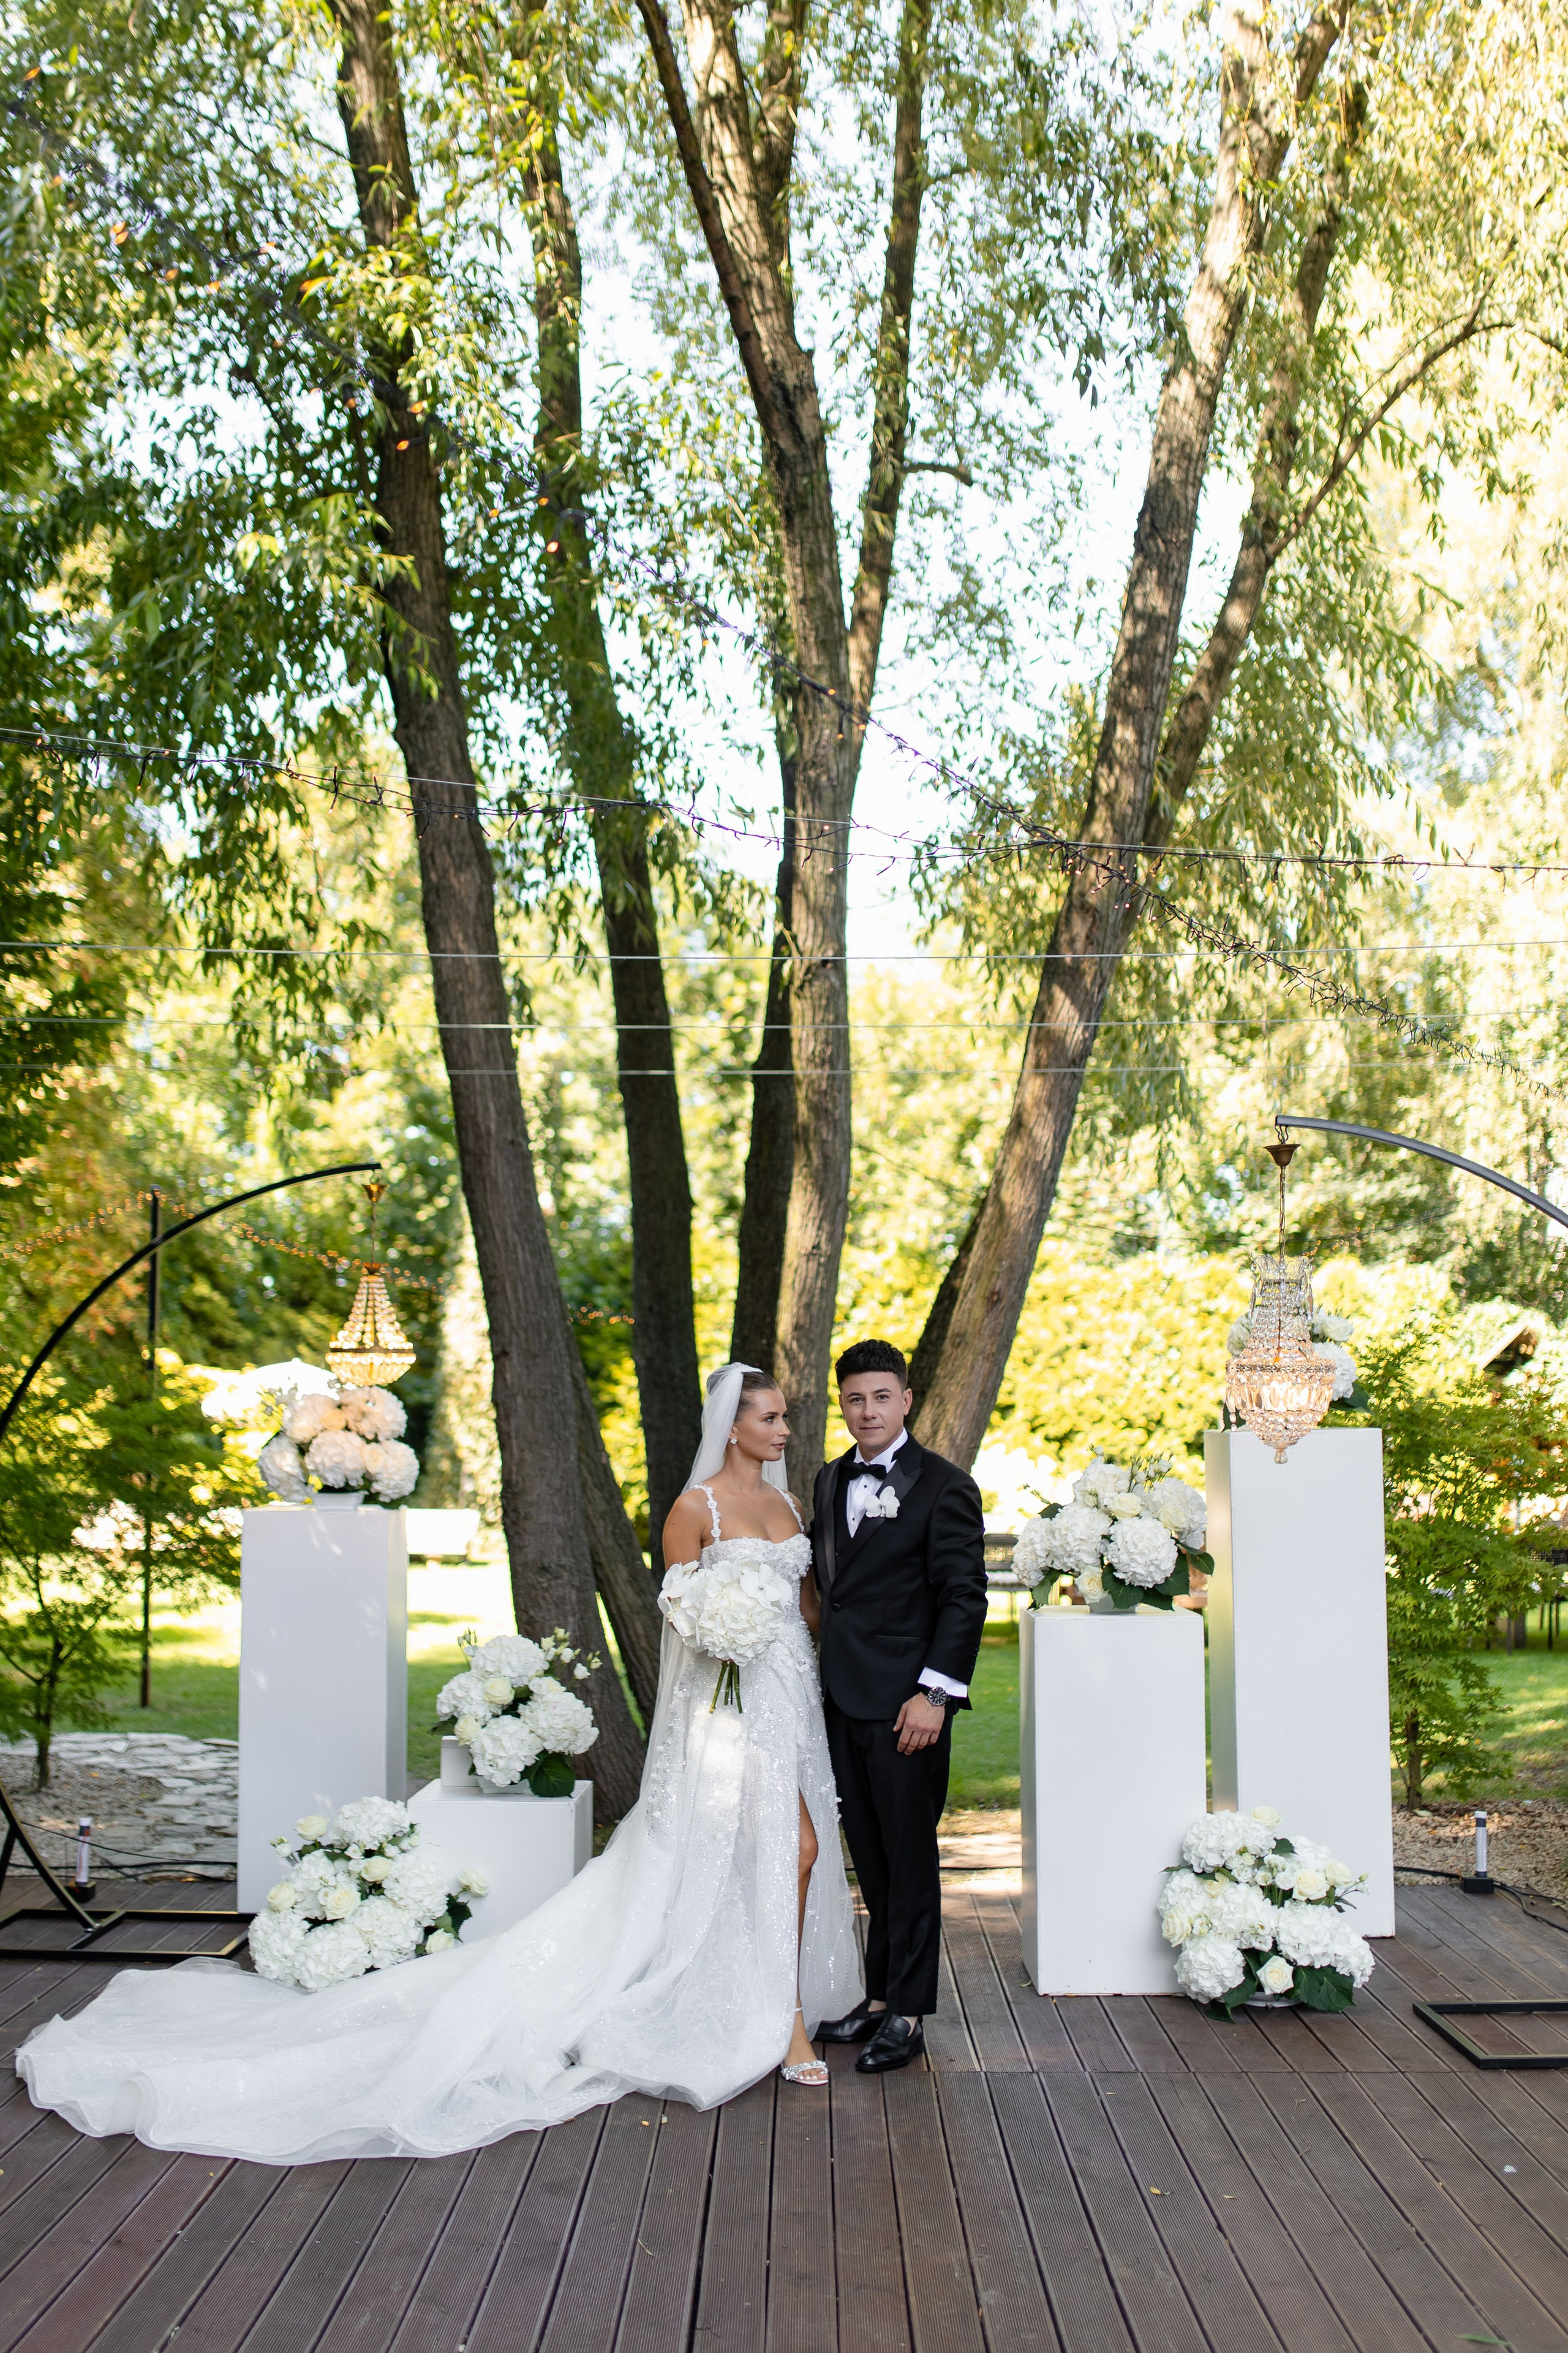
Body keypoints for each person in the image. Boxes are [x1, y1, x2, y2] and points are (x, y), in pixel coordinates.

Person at [15, 1365, 861, 2162]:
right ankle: (778, 2020)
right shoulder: (694, 1507)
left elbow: (807, 1607)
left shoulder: (788, 1504)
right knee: (793, 1850)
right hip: (722, 1712)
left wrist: (788, 1627)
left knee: (779, 1853)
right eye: (771, 1415)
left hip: (785, 1701)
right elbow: (680, 1620)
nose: (785, 1427)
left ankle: (747, 1994)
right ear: (734, 1425)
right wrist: (722, 1627)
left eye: (783, 1415)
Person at [810, 1339, 988, 2074]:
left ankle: (909, 2014)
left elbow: (963, 1598)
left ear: (906, 1399)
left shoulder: (944, 1485)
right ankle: (880, 1995)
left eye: (881, 1396)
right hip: (840, 1700)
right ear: (842, 1404)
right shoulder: (827, 1480)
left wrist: (934, 1695)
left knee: (910, 1860)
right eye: (854, 1399)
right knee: (871, 1862)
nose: (867, 1411)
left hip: (908, 1707)